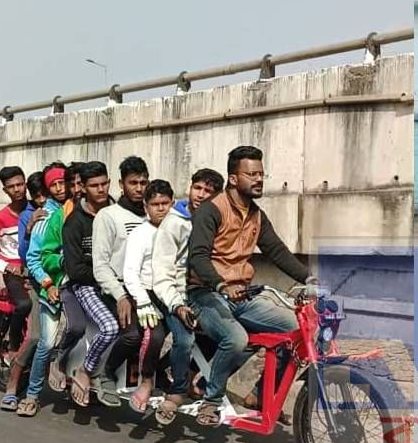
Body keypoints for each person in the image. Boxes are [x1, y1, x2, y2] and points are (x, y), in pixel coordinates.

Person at [187, 146, 316, 428]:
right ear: (233, 179)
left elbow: (277, 251)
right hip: (205, 293)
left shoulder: (256, 214)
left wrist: (311, 278)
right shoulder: (211, 210)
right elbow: (197, 257)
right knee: (236, 339)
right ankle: (211, 401)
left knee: (298, 330)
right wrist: (220, 285)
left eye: (261, 174)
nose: (259, 179)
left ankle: (261, 395)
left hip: (242, 294)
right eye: (252, 174)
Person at [151, 168, 224, 423]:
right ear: (190, 188)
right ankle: (177, 390)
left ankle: (181, 372)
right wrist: (177, 304)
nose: (201, 195)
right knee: (184, 338)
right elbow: (161, 274)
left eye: (208, 191)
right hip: (169, 293)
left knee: (221, 332)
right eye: (198, 188)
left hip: (199, 293)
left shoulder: (213, 221)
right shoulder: (173, 223)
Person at [59, 161, 120, 407]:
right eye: (94, 185)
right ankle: (85, 370)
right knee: (110, 327)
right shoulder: (74, 223)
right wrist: (106, 276)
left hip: (121, 283)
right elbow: (75, 271)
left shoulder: (119, 212)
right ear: (82, 187)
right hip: (86, 285)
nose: (101, 189)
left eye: (104, 183)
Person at [91, 156, 149, 405]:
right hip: (116, 288)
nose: (139, 188)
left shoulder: (153, 213)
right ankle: (106, 373)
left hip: (147, 288)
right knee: (132, 335)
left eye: (143, 182)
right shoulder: (108, 216)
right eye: (133, 182)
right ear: (121, 185)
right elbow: (100, 266)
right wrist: (120, 295)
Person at [17, 164, 74, 417]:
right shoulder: (45, 216)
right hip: (50, 288)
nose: (60, 189)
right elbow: (33, 258)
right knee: (46, 342)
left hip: (76, 285)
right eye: (55, 185)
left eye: (64, 182)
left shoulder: (77, 209)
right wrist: (47, 283)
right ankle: (32, 394)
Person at [0, 166, 33, 411]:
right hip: (14, 272)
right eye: (12, 186)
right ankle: (13, 345)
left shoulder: (36, 209)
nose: (17, 190)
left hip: (38, 268)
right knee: (23, 304)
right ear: (5, 190)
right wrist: (6, 266)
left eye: (20, 184)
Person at [122, 179, 175, 413]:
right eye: (155, 204)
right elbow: (130, 272)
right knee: (155, 336)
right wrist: (142, 302)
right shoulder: (140, 234)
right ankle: (146, 381)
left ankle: (165, 371)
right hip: (146, 294)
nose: (161, 208)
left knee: (193, 336)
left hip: (172, 293)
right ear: (146, 206)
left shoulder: (180, 230)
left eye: (165, 203)